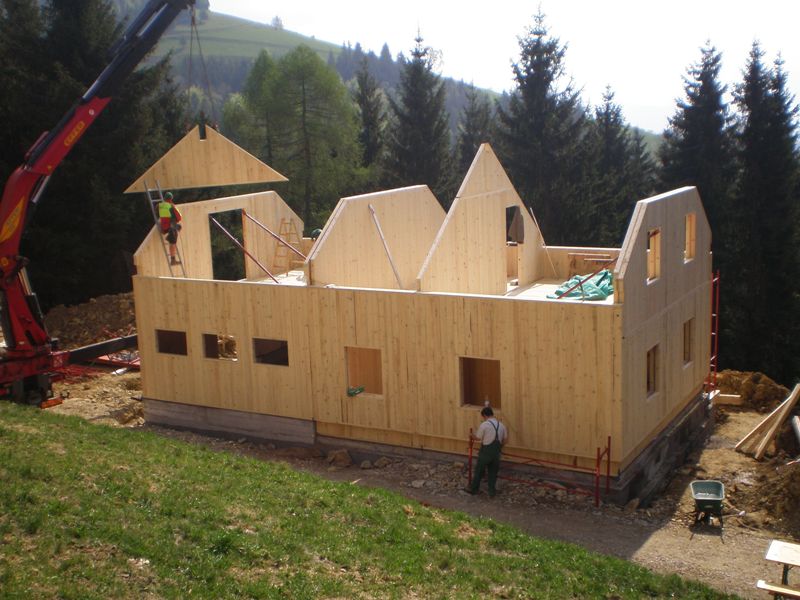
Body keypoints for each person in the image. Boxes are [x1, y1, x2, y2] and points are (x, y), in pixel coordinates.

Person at [467, 406, 508, 497]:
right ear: (492, 414)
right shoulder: (501, 425)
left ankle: (474, 489)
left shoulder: (485, 425)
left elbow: (478, 438)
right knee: (493, 473)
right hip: (496, 453)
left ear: (484, 415)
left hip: (486, 452)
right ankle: (491, 492)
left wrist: (471, 435)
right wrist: (499, 447)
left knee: (479, 471)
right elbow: (505, 440)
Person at [158, 191, 182, 265]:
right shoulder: (172, 206)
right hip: (171, 227)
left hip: (164, 227)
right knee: (173, 243)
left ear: (164, 198)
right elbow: (179, 218)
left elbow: (158, 214)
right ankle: (173, 260)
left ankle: (169, 237)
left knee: (179, 227)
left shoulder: (160, 205)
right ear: (171, 199)